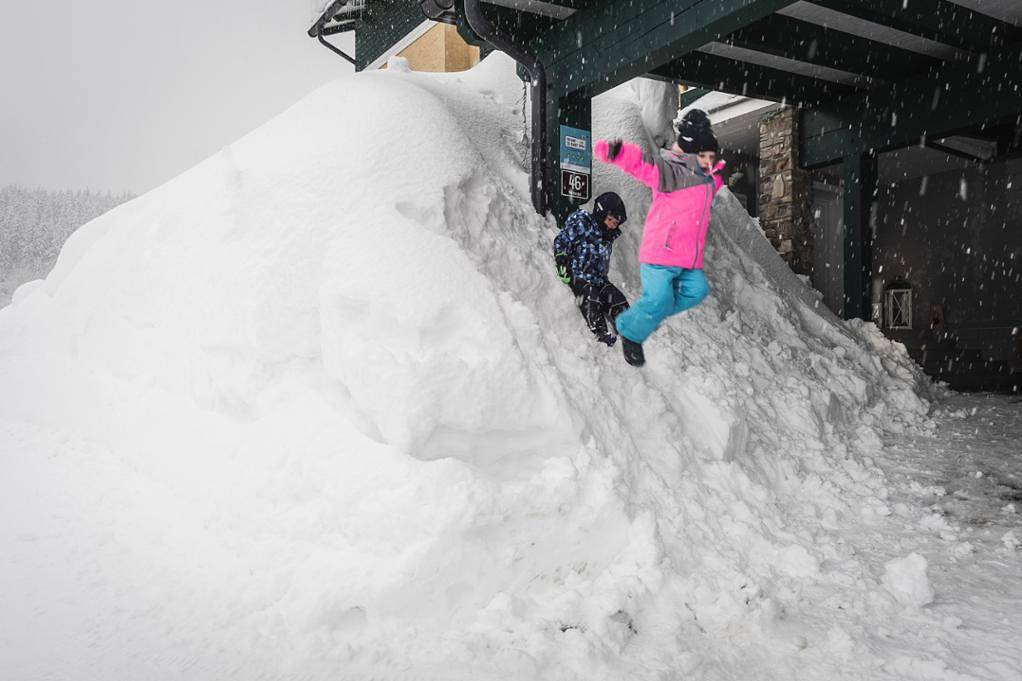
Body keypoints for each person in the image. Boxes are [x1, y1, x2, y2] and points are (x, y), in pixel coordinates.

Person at [594, 109, 725, 367]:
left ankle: (650, 315)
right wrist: (618, 154)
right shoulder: (671, 173)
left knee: (697, 290)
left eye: (713, 157)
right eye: (706, 157)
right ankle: (630, 331)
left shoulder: (707, 181)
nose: (711, 161)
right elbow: (643, 167)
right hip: (660, 254)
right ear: (691, 155)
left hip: (687, 260)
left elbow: (713, 183)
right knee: (659, 299)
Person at [553, 192, 630, 347]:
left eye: (615, 223)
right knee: (591, 297)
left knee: (618, 300)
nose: (612, 225)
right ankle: (600, 333)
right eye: (610, 220)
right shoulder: (582, 223)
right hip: (579, 275)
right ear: (600, 213)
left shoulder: (608, 236)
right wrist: (562, 258)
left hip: (599, 280)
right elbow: (561, 241)